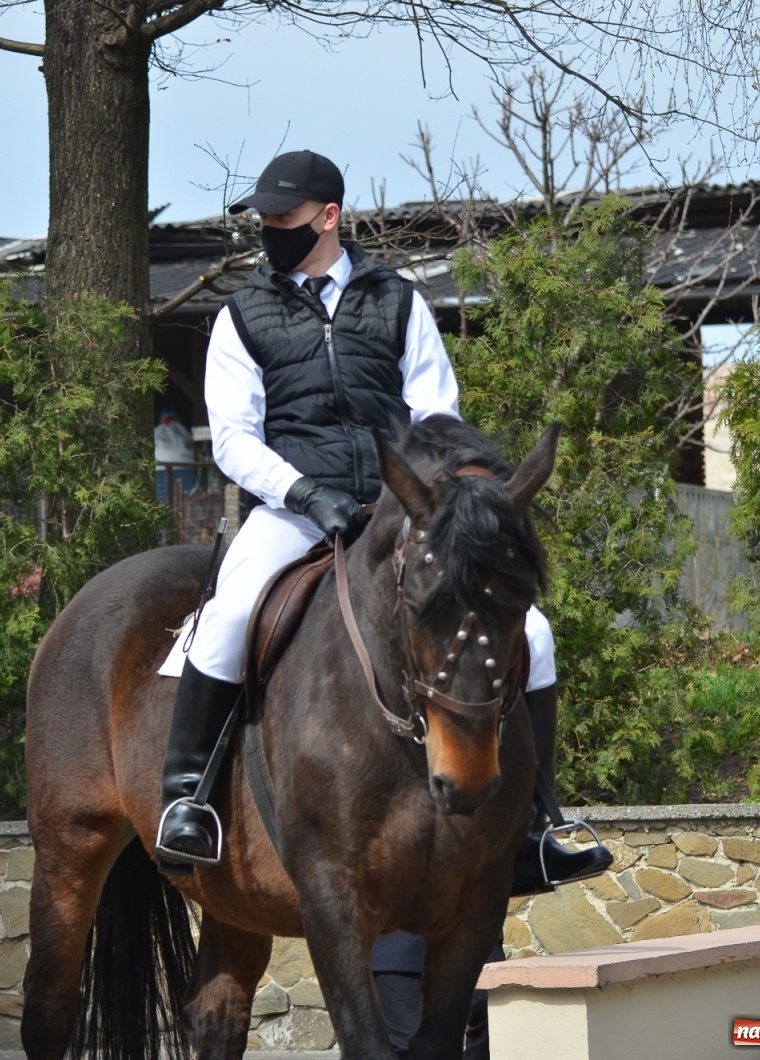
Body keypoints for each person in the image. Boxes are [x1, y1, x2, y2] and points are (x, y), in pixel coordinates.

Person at [155, 153, 611, 898]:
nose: (269, 231)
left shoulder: (399, 303)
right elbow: (235, 438)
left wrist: (423, 499)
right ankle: (189, 803)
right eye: (264, 220)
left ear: (328, 216)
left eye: (284, 219)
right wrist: (304, 493)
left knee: (533, 633)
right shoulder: (242, 317)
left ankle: (536, 823)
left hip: (402, 511)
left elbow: (436, 415)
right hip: (291, 510)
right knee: (228, 615)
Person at [154, 406, 197, 502]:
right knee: (183, 499)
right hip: (184, 470)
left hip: (160, 471)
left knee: (162, 497)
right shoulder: (180, 430)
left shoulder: (159, 431)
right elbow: (189, 441)